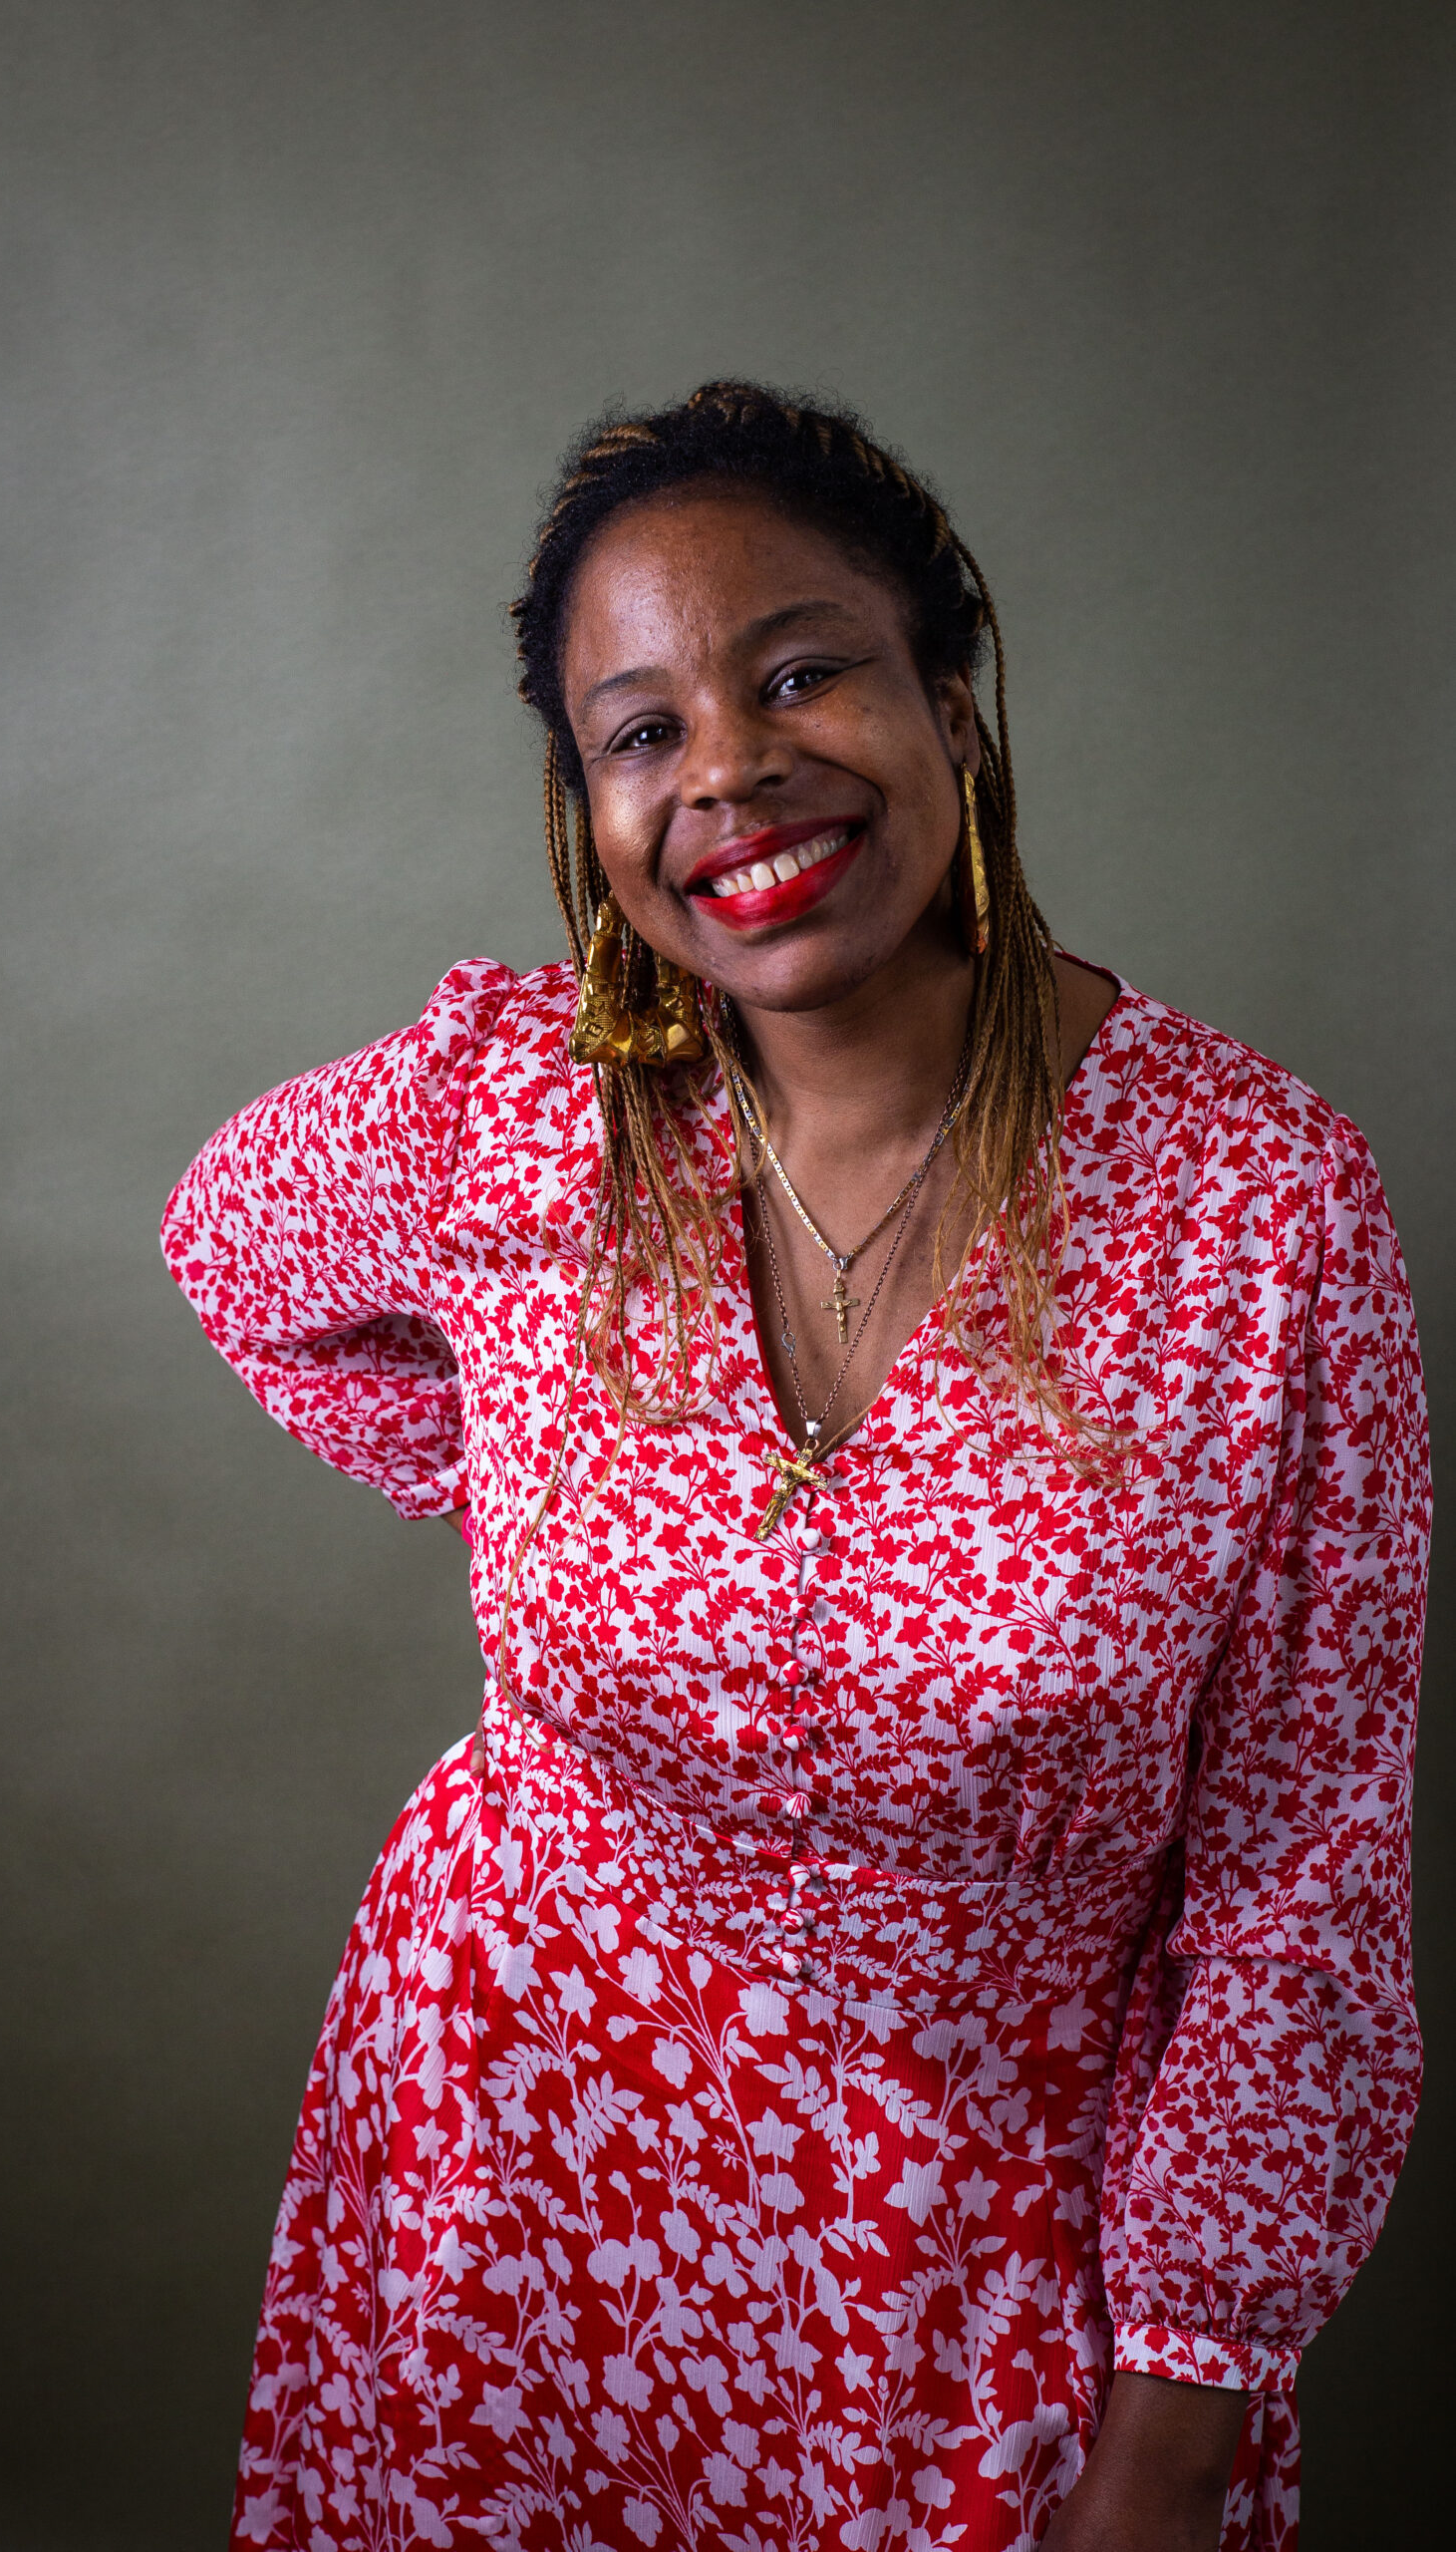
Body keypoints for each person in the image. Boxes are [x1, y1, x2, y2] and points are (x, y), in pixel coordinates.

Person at [162, 383, 1428, 2552]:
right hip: (515, 2177)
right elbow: (230, 1243)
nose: (728, 768)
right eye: (638, 728)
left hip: (980, 2258)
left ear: (948, 691)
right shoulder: (513, 1117)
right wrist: (559, 1513)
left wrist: (1174, 2431)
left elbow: (1296, 1886)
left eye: (797, 669)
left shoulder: (1260, 1210)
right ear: (587, 803)